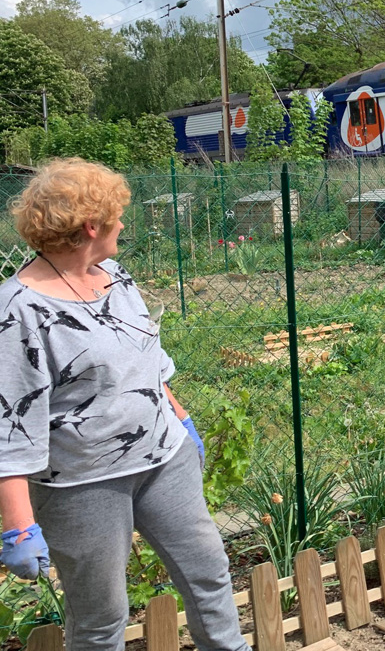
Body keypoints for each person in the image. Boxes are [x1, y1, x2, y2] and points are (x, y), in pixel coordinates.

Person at [0, 158, 248, 651]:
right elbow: (9, 424)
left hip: (163, 459)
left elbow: (145, 357)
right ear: (92, 226)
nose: (122, 227)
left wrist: (180, 417)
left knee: (209, 574)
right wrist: (18, 525)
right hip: (82, 484)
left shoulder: (113, 274)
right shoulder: (18, 310)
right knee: (100, 617)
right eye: (117, 218)